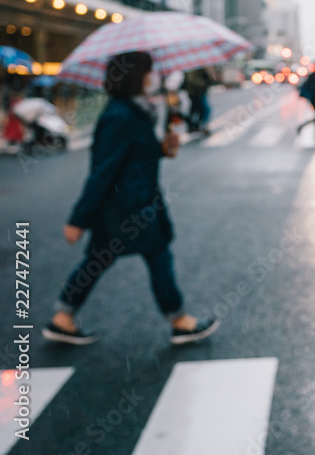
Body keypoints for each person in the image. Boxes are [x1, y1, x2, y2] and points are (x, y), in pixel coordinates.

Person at [43, 51, 219, 346]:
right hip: (129, 206)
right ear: (135, 76)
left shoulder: (133, 110)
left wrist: (163, 148)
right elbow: (103, 170)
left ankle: (63, 318)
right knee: (158, 256)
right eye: (148, 72)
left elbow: (134, 156)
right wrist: (79, 218)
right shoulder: (120, 115)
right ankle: (179, 320)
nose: (153, 78)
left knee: (99, 260)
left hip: (131, 202)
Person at [182, 67, 213, 133]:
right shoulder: (192, 66)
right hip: (196, 91)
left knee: (197, 109)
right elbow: (192, 79)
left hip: (198, 91)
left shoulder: (200, 66)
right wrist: (204, 83)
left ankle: (196, 126)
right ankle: (200, 125)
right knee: (205, 108)